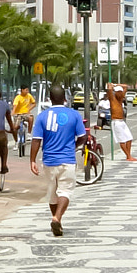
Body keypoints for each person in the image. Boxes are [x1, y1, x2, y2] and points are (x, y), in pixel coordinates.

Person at [30, 83, 86, 237]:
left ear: (50, 99)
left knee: (52, 193)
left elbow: (36, 140)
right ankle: (57, 217)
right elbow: (83, 137)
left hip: (48, 161)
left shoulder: (42, 116)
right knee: (65, 191)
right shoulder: (74, 115)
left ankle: (57, 223)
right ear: (65, 98)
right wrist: (73, 146)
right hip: (67, 160)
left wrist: (32, 161)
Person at [106, 80, 137, 162]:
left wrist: (116, 85)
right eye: (118, 92)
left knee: (129, 138)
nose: (120, 94)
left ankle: (128, 155)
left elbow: (126, 86)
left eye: (121, 92)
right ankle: (128, 156)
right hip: (116, 122)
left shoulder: (121, 99)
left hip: (122, 122)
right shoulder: (112, 99)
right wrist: (112, 86)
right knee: (122, 140)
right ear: (115, 93)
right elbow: (109, 87)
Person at [12, 83, 37, 149]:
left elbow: (34, 103)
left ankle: (29, 134)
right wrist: (13, 113)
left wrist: (29, 109)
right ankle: (16, 142)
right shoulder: (18, 97)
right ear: (22, 90)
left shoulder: (29, 96)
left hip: (26, 113)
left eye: (27, 90)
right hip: (18, 114)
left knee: (31, 118)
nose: (27, 91)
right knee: (15, 128)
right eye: (26, 90)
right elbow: (15, 106)